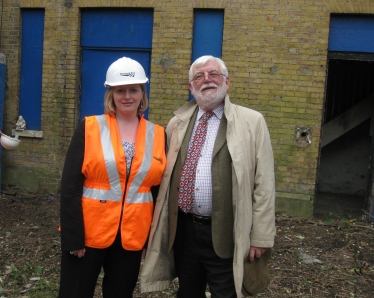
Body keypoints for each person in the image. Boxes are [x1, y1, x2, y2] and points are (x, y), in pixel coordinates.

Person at [141, 55, 276, 297]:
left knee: (226, 292)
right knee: (188, 291)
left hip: (226, 232)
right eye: (199, 76)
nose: (207, 80)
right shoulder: (176, 124)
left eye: (214, 74)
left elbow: (264, 184)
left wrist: (262, 236)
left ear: (227, 82)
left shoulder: (252, 122)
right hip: (184, 230)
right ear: (191, 87)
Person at [58, 57, 166, 298]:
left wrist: (150, 238)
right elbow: (70, 187)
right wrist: (73, 237)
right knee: (74, 293)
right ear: (111, 94)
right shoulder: (89, 127)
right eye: (120, 90)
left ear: (142, 93)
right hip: (88, 234)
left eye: (133, 90)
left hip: (132, 236)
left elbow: (157, 192)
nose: (127, 96)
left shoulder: (158, 134)